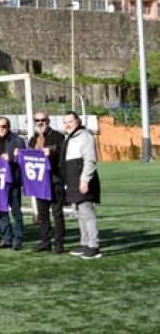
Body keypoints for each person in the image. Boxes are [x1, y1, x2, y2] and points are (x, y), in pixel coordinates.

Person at [61, 111, 101, 259]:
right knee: (79, 214)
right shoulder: (70, 137)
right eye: (65, 122)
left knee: (87, 214)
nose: (67, 125)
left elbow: (90, 160)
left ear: (78, 121)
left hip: (82, 181)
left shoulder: (85, 136)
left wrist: (85, 180)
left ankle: (94, 246)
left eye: (70, 122)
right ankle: (85, 244)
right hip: (72, 181)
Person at [28, 111, 66, 254]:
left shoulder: (57, 136)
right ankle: (45, 241)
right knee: (42, 214)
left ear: (48, 121)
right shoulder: (33, 140)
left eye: (43, 120)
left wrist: (51, 152)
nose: (40, 122)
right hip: (39, 182)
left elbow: (62, 153)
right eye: (37, 120)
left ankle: (59, 243)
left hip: (54, 180)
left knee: (57, 213)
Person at [0, 117, 27, 250]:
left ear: (9, 127)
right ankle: (6, 239)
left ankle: (18, 239)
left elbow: (23, 158)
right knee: (1, 212)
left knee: (16, 212)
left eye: (3, 126)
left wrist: (11, 157)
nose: (1, 129)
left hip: (13, 181)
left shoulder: (17, 140)